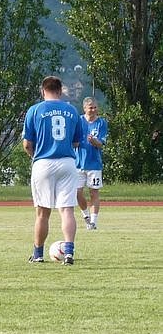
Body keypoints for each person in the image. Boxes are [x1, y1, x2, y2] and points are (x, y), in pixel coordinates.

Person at [22, 76, 83, 265]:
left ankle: (38, 254)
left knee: (43, 212)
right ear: (61, 90)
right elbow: (76, 142)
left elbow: (27, 144)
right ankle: (69, 252)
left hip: (43, 162)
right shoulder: (72, 110)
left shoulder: (35, 110)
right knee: (67, 210)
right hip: (67, 162)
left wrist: (35, 156)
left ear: (43, 91)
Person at [76, 97, 108, 230]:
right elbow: (73, 141)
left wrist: (94, 141)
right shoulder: (78, 121)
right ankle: (86, 216)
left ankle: (93, 222)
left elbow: (101, 143)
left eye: (95, 107)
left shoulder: (101, 123)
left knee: (94, 192)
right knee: (77, 192)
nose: (93, 110)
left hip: (94, 163)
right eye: (90, 107)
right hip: (78, 163)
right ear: (84, 108)